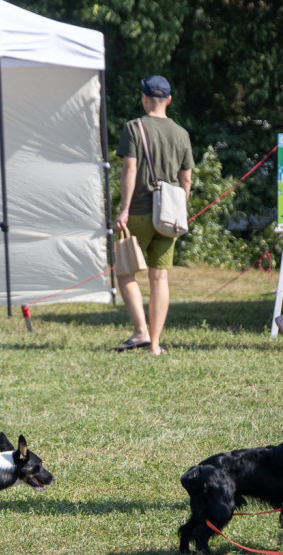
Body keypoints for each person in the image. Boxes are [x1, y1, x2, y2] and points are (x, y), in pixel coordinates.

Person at [113, 76, 194, 356]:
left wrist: (123, 209)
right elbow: (186, 180)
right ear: (169, 100)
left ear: (144, 98)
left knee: (125, 271)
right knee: (160, 278)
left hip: (139, 210)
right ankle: (156, 344)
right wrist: (179, 209)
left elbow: (130, 170)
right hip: (169, 216)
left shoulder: (134, 128)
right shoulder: (181, 133)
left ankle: (140, 332)